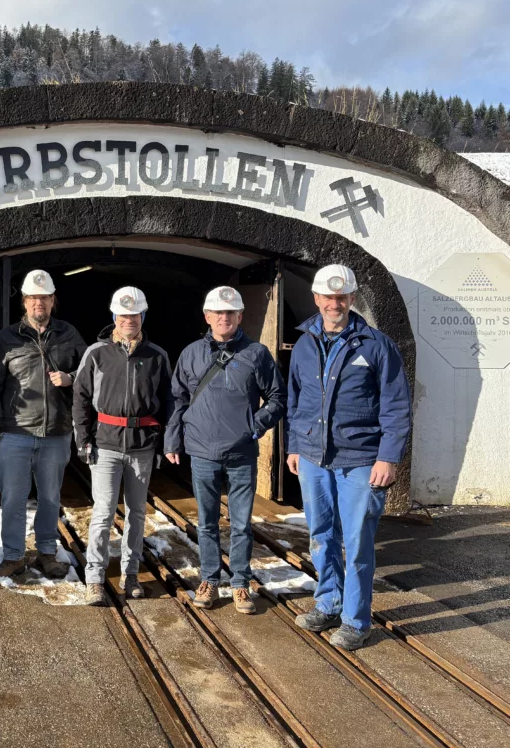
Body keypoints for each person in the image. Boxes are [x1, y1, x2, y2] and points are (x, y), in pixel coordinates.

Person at [286, 265, 411, 650]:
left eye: (342, 297)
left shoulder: (376, 345)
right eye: (328, 297)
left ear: (352, 299)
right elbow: (297, 400)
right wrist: (293, 445)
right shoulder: (305, 343)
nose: (334, 303)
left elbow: (396, 406)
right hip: (312, 458)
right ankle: (328, 603)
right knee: (321, 535)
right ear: (317, 299)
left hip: (360, 459)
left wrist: (388, 458)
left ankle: (356, 621)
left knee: (357, 543)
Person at [165, 286, 286, 615]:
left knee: (242, 523)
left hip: (241, 451)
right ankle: (209, 578)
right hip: (202, 449)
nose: (224, 317)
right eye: (218, 312)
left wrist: (256, 425)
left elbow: (278, 397)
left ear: (240, 317)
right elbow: (177, 399)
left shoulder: (257, 354)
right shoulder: (191, 354)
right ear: (207, 317)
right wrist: (172, 438)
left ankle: (241, 583)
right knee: (206, 522)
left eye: (230, 313)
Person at [0, 269, 88, 580]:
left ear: (53, 301)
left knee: (50, 497)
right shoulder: (7, 338)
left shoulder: (69, 334)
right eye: (32, 298)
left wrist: (70, 378)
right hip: (15, 431)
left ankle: (46, 553)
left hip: (56, 430)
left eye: (43, 297)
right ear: (25, 303)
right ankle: (13, 555)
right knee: (13, 497)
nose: (38, 302)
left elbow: (93, 373)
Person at [73, 287, 171, 606]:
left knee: (137, 512)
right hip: (105, 445)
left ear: (143, 317)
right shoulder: (97, 353)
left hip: (142, 445)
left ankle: (130, 575)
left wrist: (164, 443)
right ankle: (95, 578)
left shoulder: (157, 356)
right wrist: (83, 439)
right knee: (103, 513)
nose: (130, 320)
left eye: (135, 315)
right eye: (124, 315)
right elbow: (81, 397)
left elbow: (169, 402)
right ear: (114, 317)